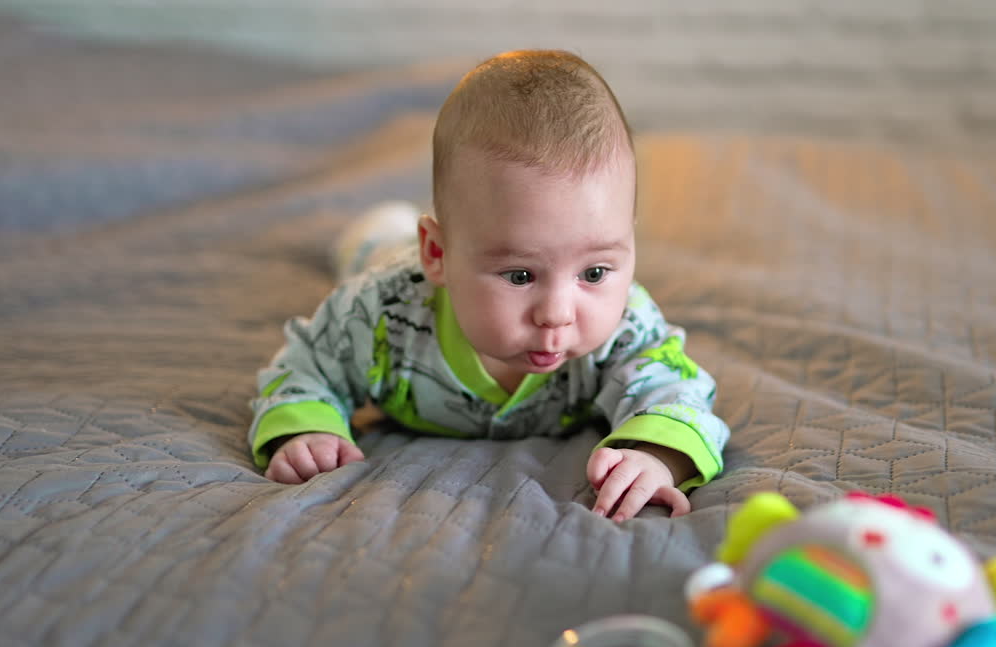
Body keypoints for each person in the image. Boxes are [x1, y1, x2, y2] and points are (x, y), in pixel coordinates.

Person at [247, 50, 729, 522]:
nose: (558, 313)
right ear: (436, 254)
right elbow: (306, 365)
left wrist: (656, 454)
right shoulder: (379, 312)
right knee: (372, 246)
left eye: (595, 272)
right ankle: (381, 227)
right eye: (520, 276)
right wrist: (307, 429)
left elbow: (676, 389)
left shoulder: (626, 324)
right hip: (391, 261)